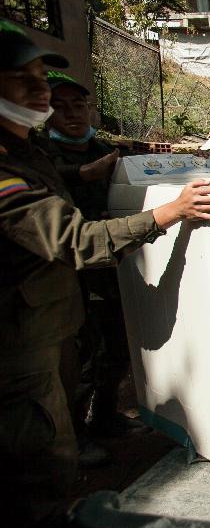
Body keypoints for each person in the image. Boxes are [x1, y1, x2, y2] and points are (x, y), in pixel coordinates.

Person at [0, 20, 210, 528]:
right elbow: (74, 239)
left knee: (57, 428)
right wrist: (170, 210)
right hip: (18, 345)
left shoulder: (27, 150)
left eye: (42, 79)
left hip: (51, 322)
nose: (40, 92)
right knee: (36, 456)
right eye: (21, 80)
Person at [39, 71, 149, 464]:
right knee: (81, 356)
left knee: (117, 346)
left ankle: (105, 417)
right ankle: (75, 435)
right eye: (60, 106)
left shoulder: (106, 151)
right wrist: (83, 175)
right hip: (69, 273)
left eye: (79, 105)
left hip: (111, 265)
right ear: (46, 113)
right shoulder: (41, 156)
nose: (71, 114)